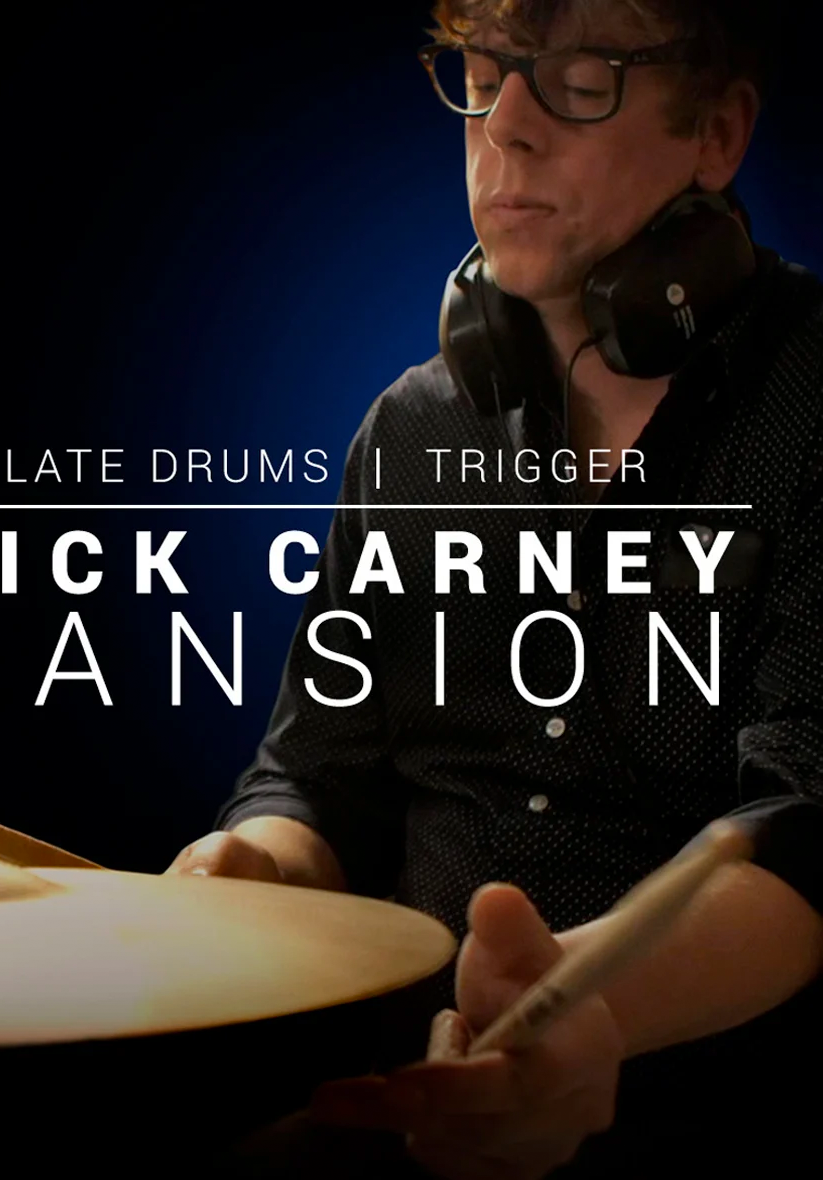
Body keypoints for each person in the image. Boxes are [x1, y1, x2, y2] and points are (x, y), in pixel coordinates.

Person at [168, 1, 823, 1175]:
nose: (504, 124)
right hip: (393, 1102)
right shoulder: (408, 430)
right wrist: (252, 862)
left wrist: (577, 1009)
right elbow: (315, 778)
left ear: (716, 133)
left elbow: (805, 837)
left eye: (578, 77)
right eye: (481, 72)